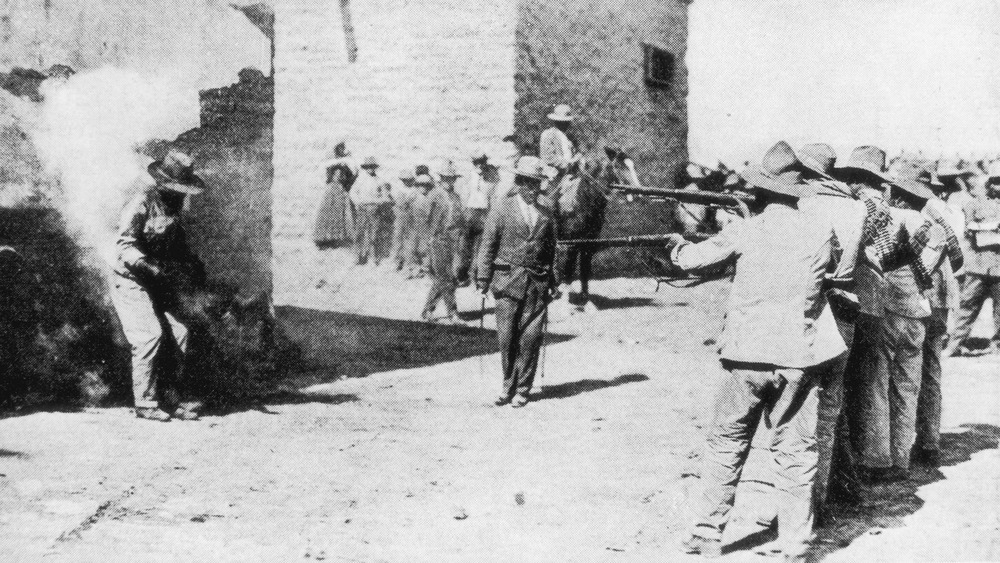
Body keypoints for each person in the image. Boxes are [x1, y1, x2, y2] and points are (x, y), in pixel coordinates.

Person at [674, 141, 853, 562]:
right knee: (796, 451)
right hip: (799, 355)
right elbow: (833, 268)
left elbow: (691, 262)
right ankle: (794, 542)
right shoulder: (819, 229)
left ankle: (706, 535)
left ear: (759, 191)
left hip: (745, 356)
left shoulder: (746, 229)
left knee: (726, 444)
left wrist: (677, 245)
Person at [112, 149, 208, 422]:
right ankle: (145, 402)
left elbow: (176, 245)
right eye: (174, 190)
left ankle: (173, 398)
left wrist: (192, 263)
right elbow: (125, 247)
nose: (178, 195)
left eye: (182, 191)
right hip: (131, 279)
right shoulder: (140, 204)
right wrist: (147, 266)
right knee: (149, 336)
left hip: (159, 279)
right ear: (161, 185)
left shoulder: (175, 208)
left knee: (181, 332)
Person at [476, 156, 558, 409]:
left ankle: (523, 389)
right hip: (506, 282)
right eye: (528, 184)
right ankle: (507, 386)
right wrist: (483, 279)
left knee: (531, 338)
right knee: (507, 338)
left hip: (537, 282)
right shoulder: (502, 209)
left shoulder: (546, 212)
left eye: (537, 185)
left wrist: (555, 280)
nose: (533, 190)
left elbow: (553, 249)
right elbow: (488, 245)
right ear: (519, 183)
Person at [915, 169, 965, 466]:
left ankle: (912, 442)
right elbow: (958, 256)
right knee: (931, 370)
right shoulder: (947, 211)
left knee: (907, 371)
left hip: (923, 294)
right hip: (943, 296)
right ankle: (930, 441)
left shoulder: (922, 211)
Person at [945, 161, 1000, 356]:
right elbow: (970, 230)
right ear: (989, 183)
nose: (998, 186)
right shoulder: (975, 204)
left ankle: (997, 345)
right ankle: (955, 344)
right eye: (996, 182)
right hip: (977, 266)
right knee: (967, 306)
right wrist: (992, 227)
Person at [422, 165, 465, 323]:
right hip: (438, 239)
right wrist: (429, 239)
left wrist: (460, 237)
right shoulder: (434, 195)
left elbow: (460, 219)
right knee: (446, 277)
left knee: (444, 278)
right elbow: (426, 219)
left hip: (454, 240)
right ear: (441, 179)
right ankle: (453, 313)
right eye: (446, 178)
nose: (449, 181)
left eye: (452, 178)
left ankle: (427, 310)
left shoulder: (456, 197)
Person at [457, 151, 500, 285]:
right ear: (473, 163)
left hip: (484, 214)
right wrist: (463, 215)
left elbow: (493, 198)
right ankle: (462, 276)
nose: (480, 165)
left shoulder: (492, 178)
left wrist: (492, 216)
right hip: (469, 213)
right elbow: (462, 196)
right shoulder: (467, 176)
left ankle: (475, 276)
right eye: (477, 162)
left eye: (482, 162)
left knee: (480, 248)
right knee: (464, 248)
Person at [313, 142, 357, 249]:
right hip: (331, 191)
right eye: (340, 150)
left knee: (339, 213)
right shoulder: (332, 165)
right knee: (328, 213)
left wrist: (346, 186)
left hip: (340, 191)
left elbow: (353, 175)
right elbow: (327, 175)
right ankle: (325, 238)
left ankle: (336, 237)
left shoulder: (345, 165)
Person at [350, 157, 389, 265]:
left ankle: (373, 258)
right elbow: (353, 193)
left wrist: (377, 202)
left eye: (372, 167)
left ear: (375, 168)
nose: (370, 169)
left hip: (374, 210)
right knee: (359, 233)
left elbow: (385, 197)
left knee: (374, 234)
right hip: (362, 209)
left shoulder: (379, 181)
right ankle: (358, 257)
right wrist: (358, 203)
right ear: (365, 168)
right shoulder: (360, 180)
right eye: (368, 167)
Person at [410, 167, 436, 278]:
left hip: (427, 226)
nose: (423, 187)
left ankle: (426, 269)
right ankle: (415, 267)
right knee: (413, 246)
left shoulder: (431, 197)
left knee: (426, 248)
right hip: (415, 225)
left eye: (426, 185)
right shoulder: (414, 196)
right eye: (420, 185)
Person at [392, 169, 417, 271]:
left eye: (409, 180)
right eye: (405, 180)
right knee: (398, 239)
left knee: (410, 240)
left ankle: (409, 262)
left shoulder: (414, 190)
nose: (407, 182)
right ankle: (398, 261)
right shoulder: (398, 189)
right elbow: (396, 204)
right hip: (400, 216)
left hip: (411, 217)